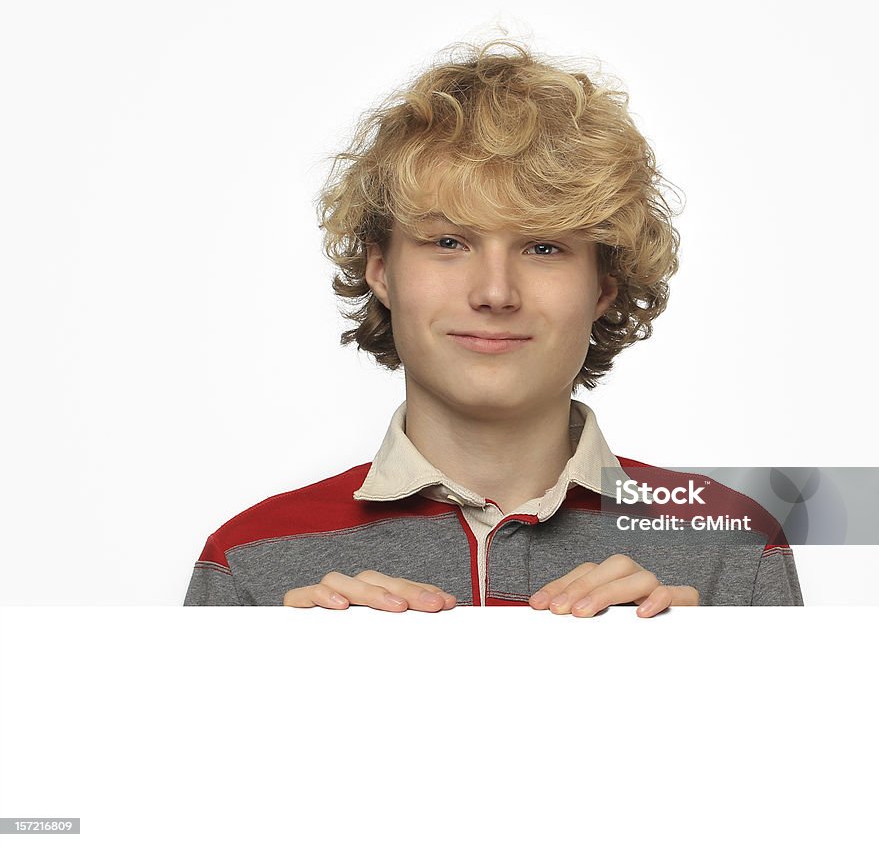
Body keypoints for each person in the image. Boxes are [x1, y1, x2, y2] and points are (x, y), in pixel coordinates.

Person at [183, 38, 803, 611]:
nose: (495, 292)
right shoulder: (246, 565)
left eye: (544, 248)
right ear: (381, 271)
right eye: (448, 241)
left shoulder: (734, 552)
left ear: (603, 287)